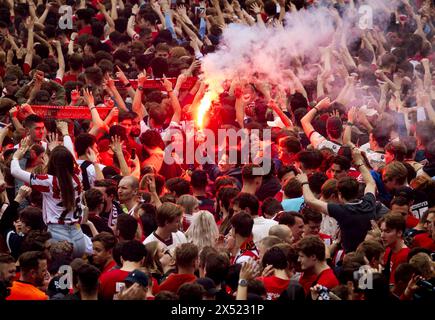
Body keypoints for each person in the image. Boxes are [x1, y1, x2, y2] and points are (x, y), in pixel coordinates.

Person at [11, 142, 89, 258]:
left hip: (59, 237)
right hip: (79, 236)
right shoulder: (78, 176)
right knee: (76, 272)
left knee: (62, 273)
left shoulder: (49, 181)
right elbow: (71, 154)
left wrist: (15, 157)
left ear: (52, 162)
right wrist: (65, 134)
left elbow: (15, 172)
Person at [298, 147, 379, 252]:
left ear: (339, 194)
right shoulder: (369, 203)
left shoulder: (342, 211)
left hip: (351, 257)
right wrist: (359, 162)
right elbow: (371, 182)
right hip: (370, 253)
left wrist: (304, 182)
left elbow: (311, 201)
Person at [381, 213, 410, 285]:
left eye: (387, 231)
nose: (382, 235)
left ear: (399, 233)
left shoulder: (404, 256)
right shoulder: (388, 250)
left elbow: (394, 289)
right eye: (381, 231)